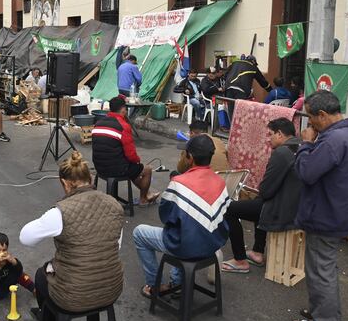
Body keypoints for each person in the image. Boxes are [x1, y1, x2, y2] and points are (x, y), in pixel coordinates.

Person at [291, 90, 348, 321]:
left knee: (320, 269)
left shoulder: (332, 140)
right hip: (339, 211)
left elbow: (307, 173)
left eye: (311, 118)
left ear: (322, 115)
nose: (309, 123)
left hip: (327, 214)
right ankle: (329, 315)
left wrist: (305, 144)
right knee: (326, 267)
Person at [20, 151, 124, 321]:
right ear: (90, 179)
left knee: (41, 275)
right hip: (112, 289)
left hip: (73, 297)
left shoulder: (60, 212)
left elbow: (25, 238)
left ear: (65, 183)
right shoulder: (114, 205)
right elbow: (116, 246)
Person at [132, 134, 230, 297]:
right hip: (213, 246)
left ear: (190, 157)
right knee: (185, 228)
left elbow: (165, 216)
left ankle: (154, 285)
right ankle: (177, 283)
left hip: (186, 246)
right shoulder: (220, 182)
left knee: (140, 233)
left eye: (184, 154)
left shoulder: (179, 182)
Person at [222, 118, 302, 273]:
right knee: (258, 202)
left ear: (280, 134)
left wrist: (261, 192)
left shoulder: (282, 152)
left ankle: (240, 261)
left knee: (228, 208)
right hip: (296, 207)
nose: (268, 139)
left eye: (270, 134)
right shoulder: (302, 147)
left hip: (280, 210)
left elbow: (266, 190)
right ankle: (257, 252)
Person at [91, 95, 159, 204]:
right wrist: (138, 162)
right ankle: (143, 199)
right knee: (146, 169)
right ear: (123, 110)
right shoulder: (123, 126)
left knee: (132, 168)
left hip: (99, 167)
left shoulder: (98, 123)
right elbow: (131, 155)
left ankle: (148, 194)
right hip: (116, 169)